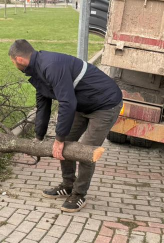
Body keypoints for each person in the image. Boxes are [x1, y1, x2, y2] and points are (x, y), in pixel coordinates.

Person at [8, 39, 122, 213]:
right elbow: (43, 106)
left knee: (86, 151)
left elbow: (67, 103)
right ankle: (68, 184)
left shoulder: (51, 66)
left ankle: (78, 194)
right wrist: (39, 137)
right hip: (82, 104)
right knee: (66, 141)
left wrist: (59, 139)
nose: (13, 64)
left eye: (13, 61)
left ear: (20, 59)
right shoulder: (38, 71)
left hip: (105, 105)